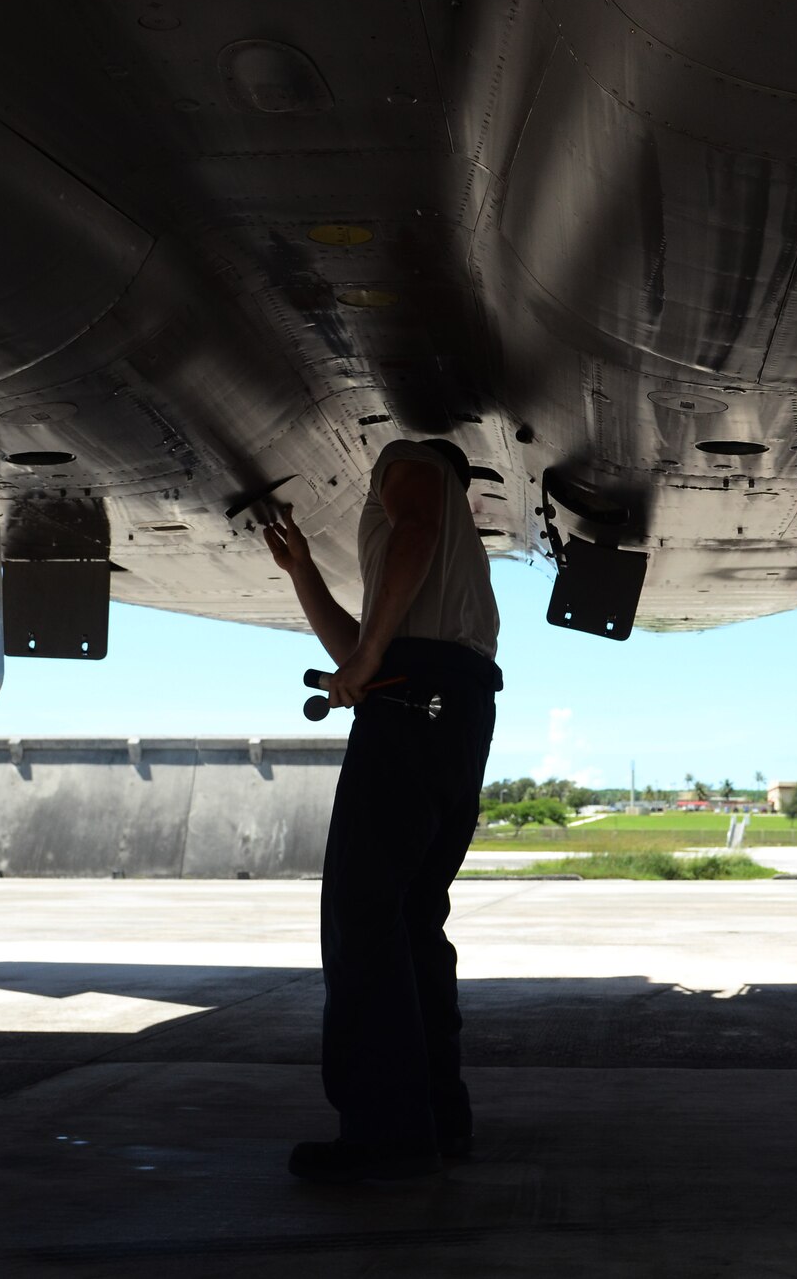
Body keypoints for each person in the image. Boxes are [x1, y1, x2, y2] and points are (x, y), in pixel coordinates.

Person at [264, 437, 501, 1183]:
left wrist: (367, 664)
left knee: (363, 919)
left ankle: (384, 1130)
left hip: (410, 709)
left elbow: (416, 529)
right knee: (412, 920)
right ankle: (435, 1115)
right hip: (452, 708)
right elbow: (360, 653)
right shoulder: (448, 578)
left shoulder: (409, 466)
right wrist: (304, 573)